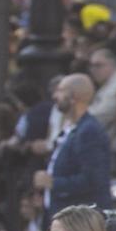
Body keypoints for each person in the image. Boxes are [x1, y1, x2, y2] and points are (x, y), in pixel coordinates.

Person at [38, 74, 110, 217]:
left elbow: (92, 179)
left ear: (74, 96)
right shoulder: (70, 127)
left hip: (79, 219)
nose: (54, 96)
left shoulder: (89, 131)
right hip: (60, 212)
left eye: (60, 90)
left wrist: (53, 183)